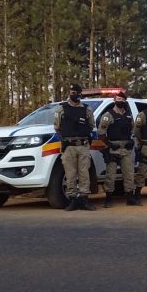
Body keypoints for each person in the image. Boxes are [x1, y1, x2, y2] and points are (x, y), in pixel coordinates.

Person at [54, 83, 96, 211]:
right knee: (70, 174)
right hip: (69, 146)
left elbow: (91, 125)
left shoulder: (86, 109)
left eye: (76, 93)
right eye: (72, 93)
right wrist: (64, 141)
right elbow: (57, 127)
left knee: (84, 173)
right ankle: (72, 200)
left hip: (83, 145)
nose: (74, 95)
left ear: (80, 94)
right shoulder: (61, 109)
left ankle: (84, 199)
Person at [98, 91, 138, 207]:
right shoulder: (108, 115)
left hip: (125, 148)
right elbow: (101, 133)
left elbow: (133, 131)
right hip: (113, 148)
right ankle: (108, 199)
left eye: (122, 99)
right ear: (114, 100)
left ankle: (130, 197)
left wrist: (131, 141)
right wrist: (109, 144)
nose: (120, 101)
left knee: (129, 174)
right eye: (118, 99)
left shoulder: (128, 116)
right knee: (110, 175)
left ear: (125, 101)